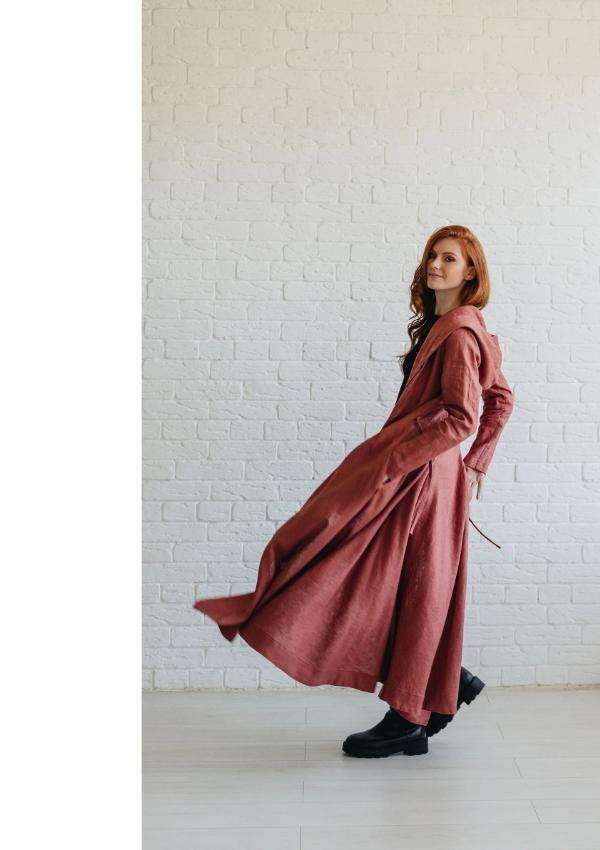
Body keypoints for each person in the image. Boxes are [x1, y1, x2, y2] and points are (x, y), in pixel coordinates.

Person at [194, 224, 514, 758]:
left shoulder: (460, 335)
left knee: (390, 577)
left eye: (449, 259)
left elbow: (463, 416)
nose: (436, 266)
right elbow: (500, 399)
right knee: (395, 581)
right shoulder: (452, 328)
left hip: (420, 477)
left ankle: (409, 717)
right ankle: (440, 682)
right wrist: (474, 462)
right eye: (433, 256)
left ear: (470, 272)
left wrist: (400, 462)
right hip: (426, 473)